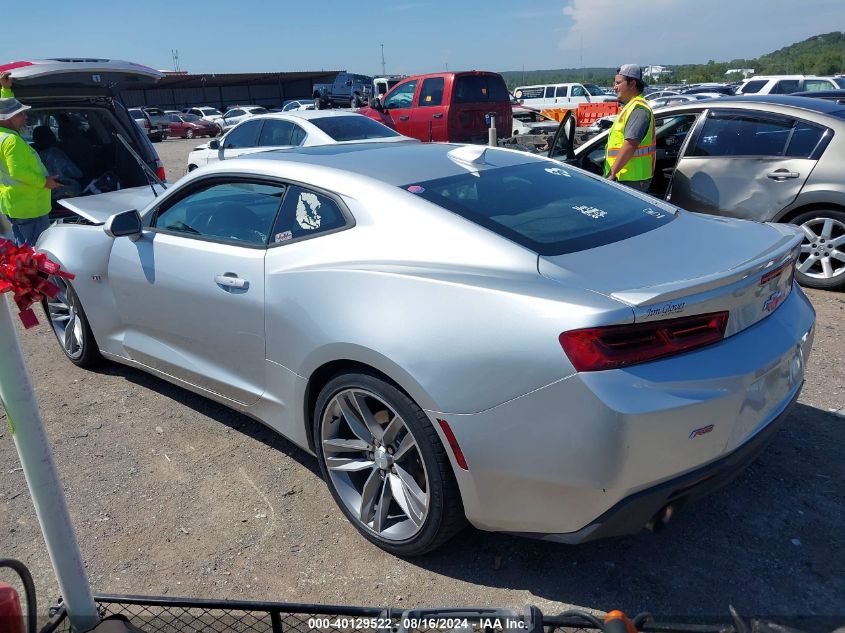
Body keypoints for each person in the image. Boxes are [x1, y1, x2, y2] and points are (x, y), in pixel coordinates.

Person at [0, 71, 62, 246]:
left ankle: (24, 273)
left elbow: (4, 108)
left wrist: (6, 91)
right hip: (30, 209)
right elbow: (18, 171)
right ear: (8, 118)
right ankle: (34, 275)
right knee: (37, 252)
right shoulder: (12, 140)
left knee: (24, 249)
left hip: (15, 205)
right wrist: (44, 182)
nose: (25, 117)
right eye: (21, 114)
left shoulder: (2, 135)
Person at [604, 64, 655, 192]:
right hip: (626, 177)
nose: (614, 87)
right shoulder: (630, 107)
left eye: (618, 83)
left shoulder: (639, 109)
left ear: (632, 83)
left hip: (632, 179)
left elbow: (630, 144)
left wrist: (612, 173)